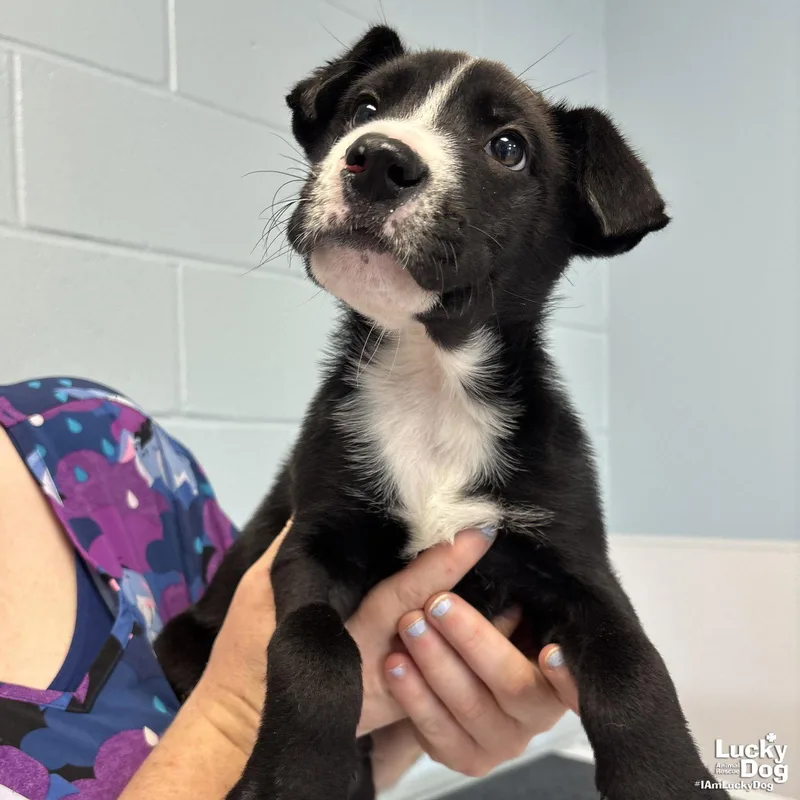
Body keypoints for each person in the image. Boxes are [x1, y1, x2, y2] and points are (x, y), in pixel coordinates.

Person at [0, 377, 578, 799]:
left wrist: (420, 712)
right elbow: (247, 690)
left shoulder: (100, 444)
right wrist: (242, 715)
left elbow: (336, 744)